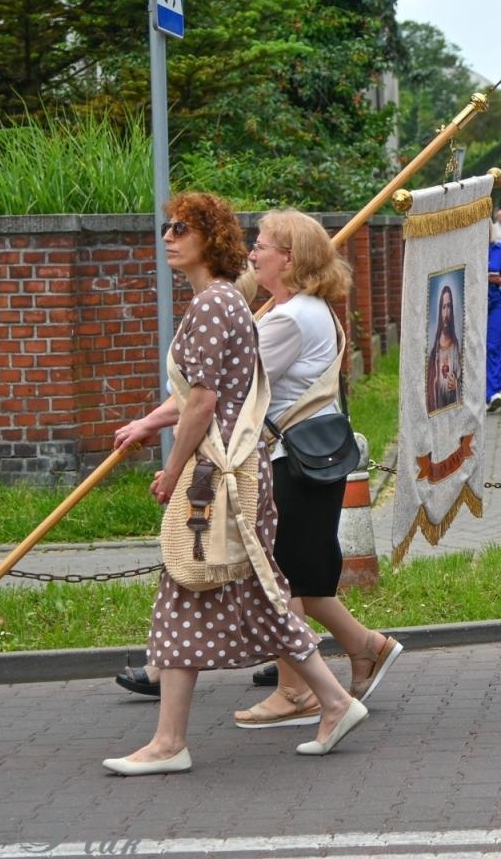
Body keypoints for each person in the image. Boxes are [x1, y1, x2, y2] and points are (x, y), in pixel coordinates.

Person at [108, 194, 367, 773]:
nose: (169, 237)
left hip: (219, 475)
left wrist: (171, 470)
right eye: (166, 227)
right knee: (257, 596)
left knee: (197, 589)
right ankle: (330, 699)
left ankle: (172, 743)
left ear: (211, 240)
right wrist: (152, 426)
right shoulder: (226, 302)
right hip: (234, 472)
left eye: (182, 228)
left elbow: (201, 402)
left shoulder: (214, 306)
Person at [234, 209, 403, 727]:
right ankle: (365, 646)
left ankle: (294, 692)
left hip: (293, 461)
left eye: (261, 245)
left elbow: (237, 378)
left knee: (281, 580)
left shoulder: (288, 318)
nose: (252, 252)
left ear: (288, 259)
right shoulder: (311, 309)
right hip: (314, 457)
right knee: (303, 578)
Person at [426, 283, 461, 412]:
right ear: (440, 310)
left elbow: (465, 379)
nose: (446, 312)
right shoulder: (434, 351)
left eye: (449, 307)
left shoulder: (457, 347)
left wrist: (456, 385)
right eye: (444, 307)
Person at [486, 223, 501, 412]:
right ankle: (485, 392)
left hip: (495, 301)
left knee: (493, 343)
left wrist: (500, 279)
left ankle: (494, 390)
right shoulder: (468, 247)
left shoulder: (499, 249)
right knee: (478, 347)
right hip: (472, 302)